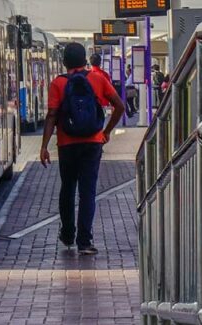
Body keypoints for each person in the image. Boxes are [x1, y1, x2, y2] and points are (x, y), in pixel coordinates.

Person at [40, 42, 126, 255]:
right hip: (93, 143)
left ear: (64, 62)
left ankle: (68, 233)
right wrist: (106, 131)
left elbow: (52, 115)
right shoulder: (98, 79)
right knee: (88, 192)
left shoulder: (58, 83)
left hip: (67, 145)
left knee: (67, 187)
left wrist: (44, 147)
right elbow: (120, 106)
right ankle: (85, 241)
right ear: (84, 60)